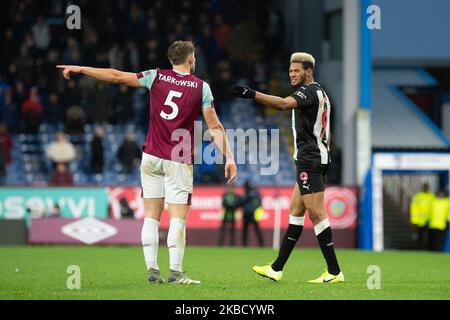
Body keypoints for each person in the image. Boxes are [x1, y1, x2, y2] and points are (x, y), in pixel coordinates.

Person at [57, 40, 237, 285]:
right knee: (177, 218)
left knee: (151, 217)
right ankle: (175, 273)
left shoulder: (156, 77)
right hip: (177, 159)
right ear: (191, 59)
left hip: (151, 156)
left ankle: (152, 270)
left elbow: (115, 76)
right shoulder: (201, 87)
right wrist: (229, 156)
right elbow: (214, 126)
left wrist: (81, 68)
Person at [229, 52, 344, 283]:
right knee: (296, 210)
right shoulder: (321, 92)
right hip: (313, 158)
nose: (292, 75)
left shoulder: (308, 91)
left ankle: (334, 271)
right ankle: (276, 268)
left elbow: (282, 104)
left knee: (317, 214)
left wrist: (251, 94)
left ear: (308, 71)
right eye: (290, 71)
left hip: (310, 160)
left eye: (296, 71)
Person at [409, 183, 434, 250]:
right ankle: (419, 249)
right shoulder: (418, 196)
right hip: (419, 221)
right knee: (419, 236)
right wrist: (414, 220)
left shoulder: (432, 196)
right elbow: (414, 209)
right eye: (424, 187)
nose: (426, 188)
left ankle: (428, 249)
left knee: (429, 236)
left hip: (429, 220)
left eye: (427, 187)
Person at [241, 181, 264, 247]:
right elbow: (259, 203)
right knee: (255, 230)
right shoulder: (255, 194)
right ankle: (261, 244)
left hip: (250, 214)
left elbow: (241, 202)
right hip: (250, 214)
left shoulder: (249, 194)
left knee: (247, 231)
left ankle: (245, 244)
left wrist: (252, 208)